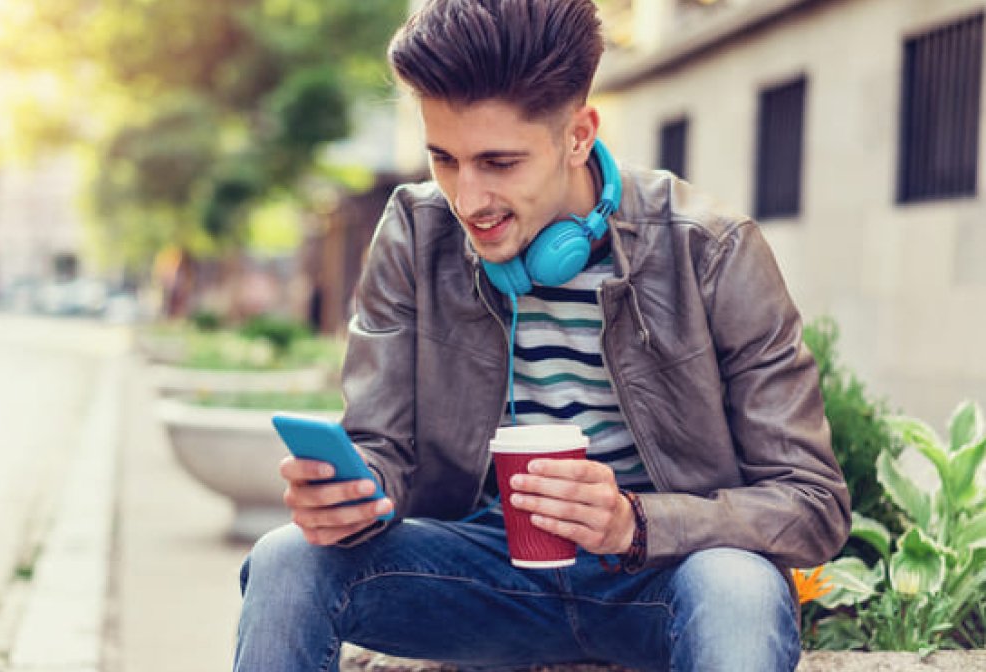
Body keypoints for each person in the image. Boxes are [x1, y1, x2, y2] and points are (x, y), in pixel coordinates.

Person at [235, 1, 851, 670]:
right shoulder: (414, 233)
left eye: (499, 163)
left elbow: (811, 504)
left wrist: (634, 522)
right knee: (287, 559)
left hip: (666, 582)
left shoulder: (711, 250)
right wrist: (354, 495)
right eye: (444, 159)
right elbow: (383, 448)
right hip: (485, 581)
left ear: (579, 136)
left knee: (738, 587)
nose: (467, 200)